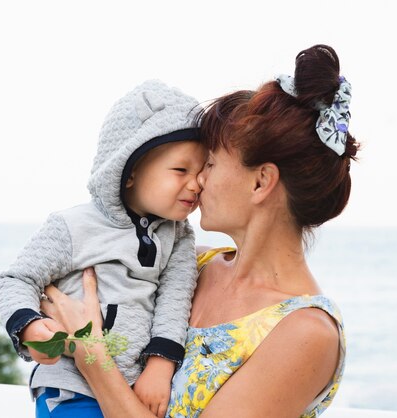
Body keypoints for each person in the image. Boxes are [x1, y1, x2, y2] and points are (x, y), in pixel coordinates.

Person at [40, 44, 358, 417]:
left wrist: (93, 357)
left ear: (261, 183)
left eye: (209, 163)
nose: (198, 180)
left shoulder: (305, 333)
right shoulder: (190, 264)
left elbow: (91, 343)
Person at [0, 79, 207, 417]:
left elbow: (174, 302)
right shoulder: (73, 226)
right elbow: (16, 279)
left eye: (202, 171)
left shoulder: (179, 238)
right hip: (71, 386)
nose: (196, 183)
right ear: (129, 171)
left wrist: (161, 366)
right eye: (181, 169)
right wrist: (30, 327)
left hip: (133, 390)